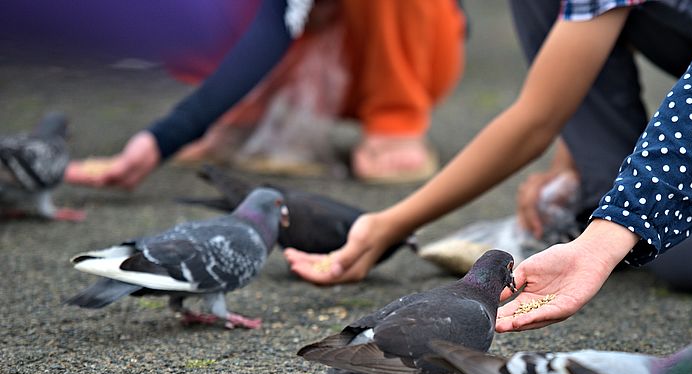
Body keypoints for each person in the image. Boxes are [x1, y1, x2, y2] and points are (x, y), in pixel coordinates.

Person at [283, 0, 692, 334]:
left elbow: (533, 120)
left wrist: (391, 223)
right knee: (632, 233)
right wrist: (586, 185)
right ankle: (605, 187)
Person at [64, 0, 467, 187]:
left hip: (406, 50)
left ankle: (395, 120)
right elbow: (278, 18)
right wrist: (163, 138)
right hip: (293, 48)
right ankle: (239, 114)